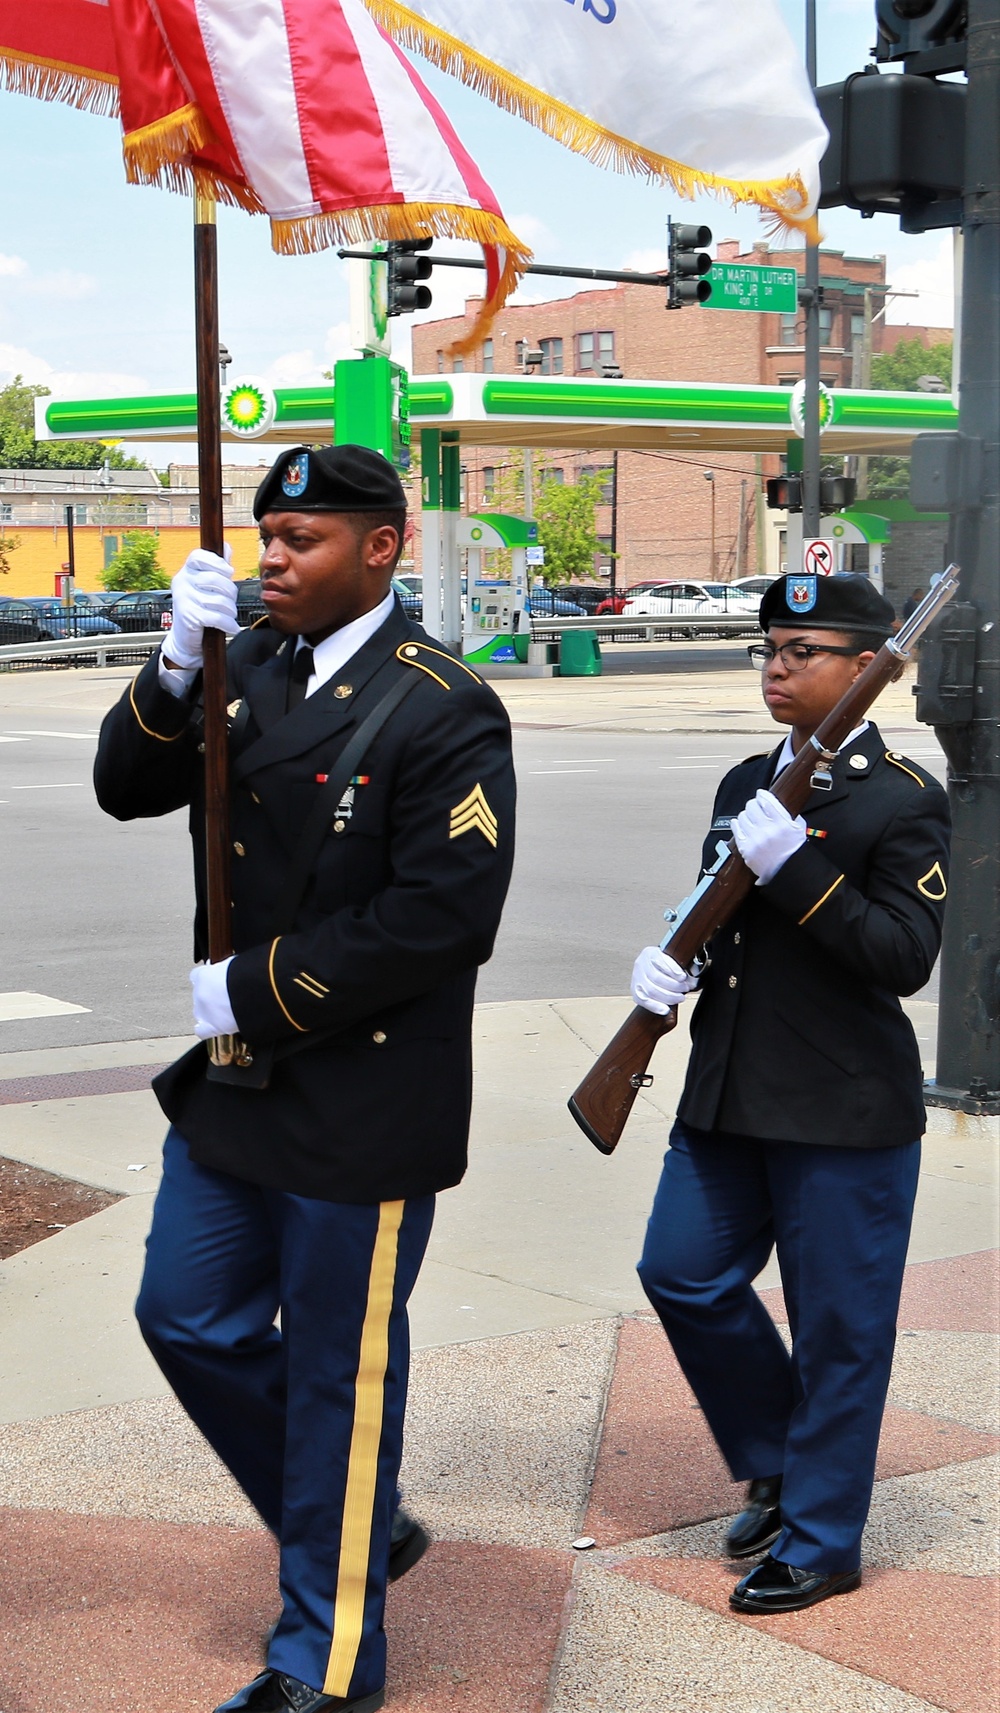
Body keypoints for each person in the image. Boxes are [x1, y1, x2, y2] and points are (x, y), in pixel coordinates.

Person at [94, 444, 516, 1713]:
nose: (272, 559)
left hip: (358, 1099)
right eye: (268, 538)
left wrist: (262, 986)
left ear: (381, 546)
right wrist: (173, 667)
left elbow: (445, 917)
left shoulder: (441, 703)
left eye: (303, 540)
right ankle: (358, 1522)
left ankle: (324, 1669)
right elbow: (126, 787)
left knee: (337, 1383)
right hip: (234, 1089)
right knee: (184, 1315)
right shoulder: (247, 664)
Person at [630, 573, 950, 1615]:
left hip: (841, 1110)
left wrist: (800, 873)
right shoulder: (741, 780)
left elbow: (902, 955)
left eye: (803, 649)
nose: (775, 664)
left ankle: (820, 1540)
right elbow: (715, 908)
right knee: (678, 1271)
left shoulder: (900, 796)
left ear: (867, 668)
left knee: (839, 1332)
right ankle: (776, 1458)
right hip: (726, 1093)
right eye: (768, 646)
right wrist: (669, 961)